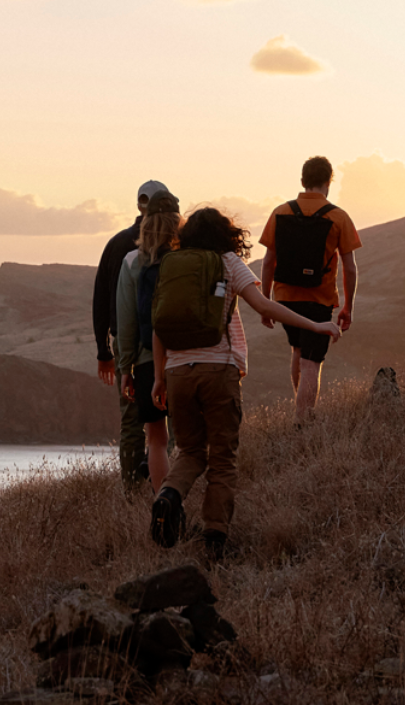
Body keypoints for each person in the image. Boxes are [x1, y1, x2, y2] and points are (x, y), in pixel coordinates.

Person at [150, 208, 341, 560]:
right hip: (218, 371)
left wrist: (160, 377)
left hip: (178, 373)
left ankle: (168, 495)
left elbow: (158, 324)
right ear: (226, 233)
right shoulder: (228, 262)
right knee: (222, 458)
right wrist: (315, 326)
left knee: (190, 451)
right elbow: (263, 305)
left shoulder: (172, 265)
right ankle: (214, 539)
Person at [259, 157, 361, 423]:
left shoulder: (280, 212)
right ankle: (303, 423)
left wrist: (265, 302)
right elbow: (349, 267)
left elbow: (269, 261)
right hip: (319, 299)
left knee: (297, 350)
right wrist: (348, 306)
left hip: (285, 299)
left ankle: (300, 413)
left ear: (303, 181)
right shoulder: (338, 217)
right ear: (328, 182)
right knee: (310, 363)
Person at [93, 180, 170, 485]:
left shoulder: (117, 244)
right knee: (174, 420)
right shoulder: (179, 245)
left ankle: (131, 489)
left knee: (131, 421)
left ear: (139, 205)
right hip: (171, 344)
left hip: (129, 346)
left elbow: (102, 301)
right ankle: (172, 487)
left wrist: (104, 352)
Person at [115, 190, 181, 492]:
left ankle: (162, 506)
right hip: (187, 358)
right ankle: (184, 498)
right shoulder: (188, 259)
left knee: (156, 438)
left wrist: (125, 369)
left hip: (144, 361)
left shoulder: (131, 262)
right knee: (190, 438)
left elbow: (126, 322)